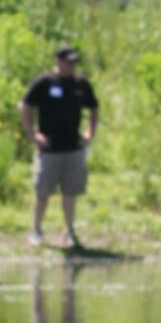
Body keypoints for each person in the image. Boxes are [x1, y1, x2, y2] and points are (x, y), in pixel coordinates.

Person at [21, 44, 99, 249]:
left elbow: (94, 107)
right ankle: (36, 230)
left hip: (73, 147)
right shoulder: (44, 82)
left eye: (74, 62)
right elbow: (26, 105)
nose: (72, 66)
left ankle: (69, 231)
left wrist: (89, 133)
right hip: (49, 148)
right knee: (43, 192)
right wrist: (32, 133)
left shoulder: (81, 84)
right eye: (68, 62)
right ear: (58, 61)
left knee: (70, 193)